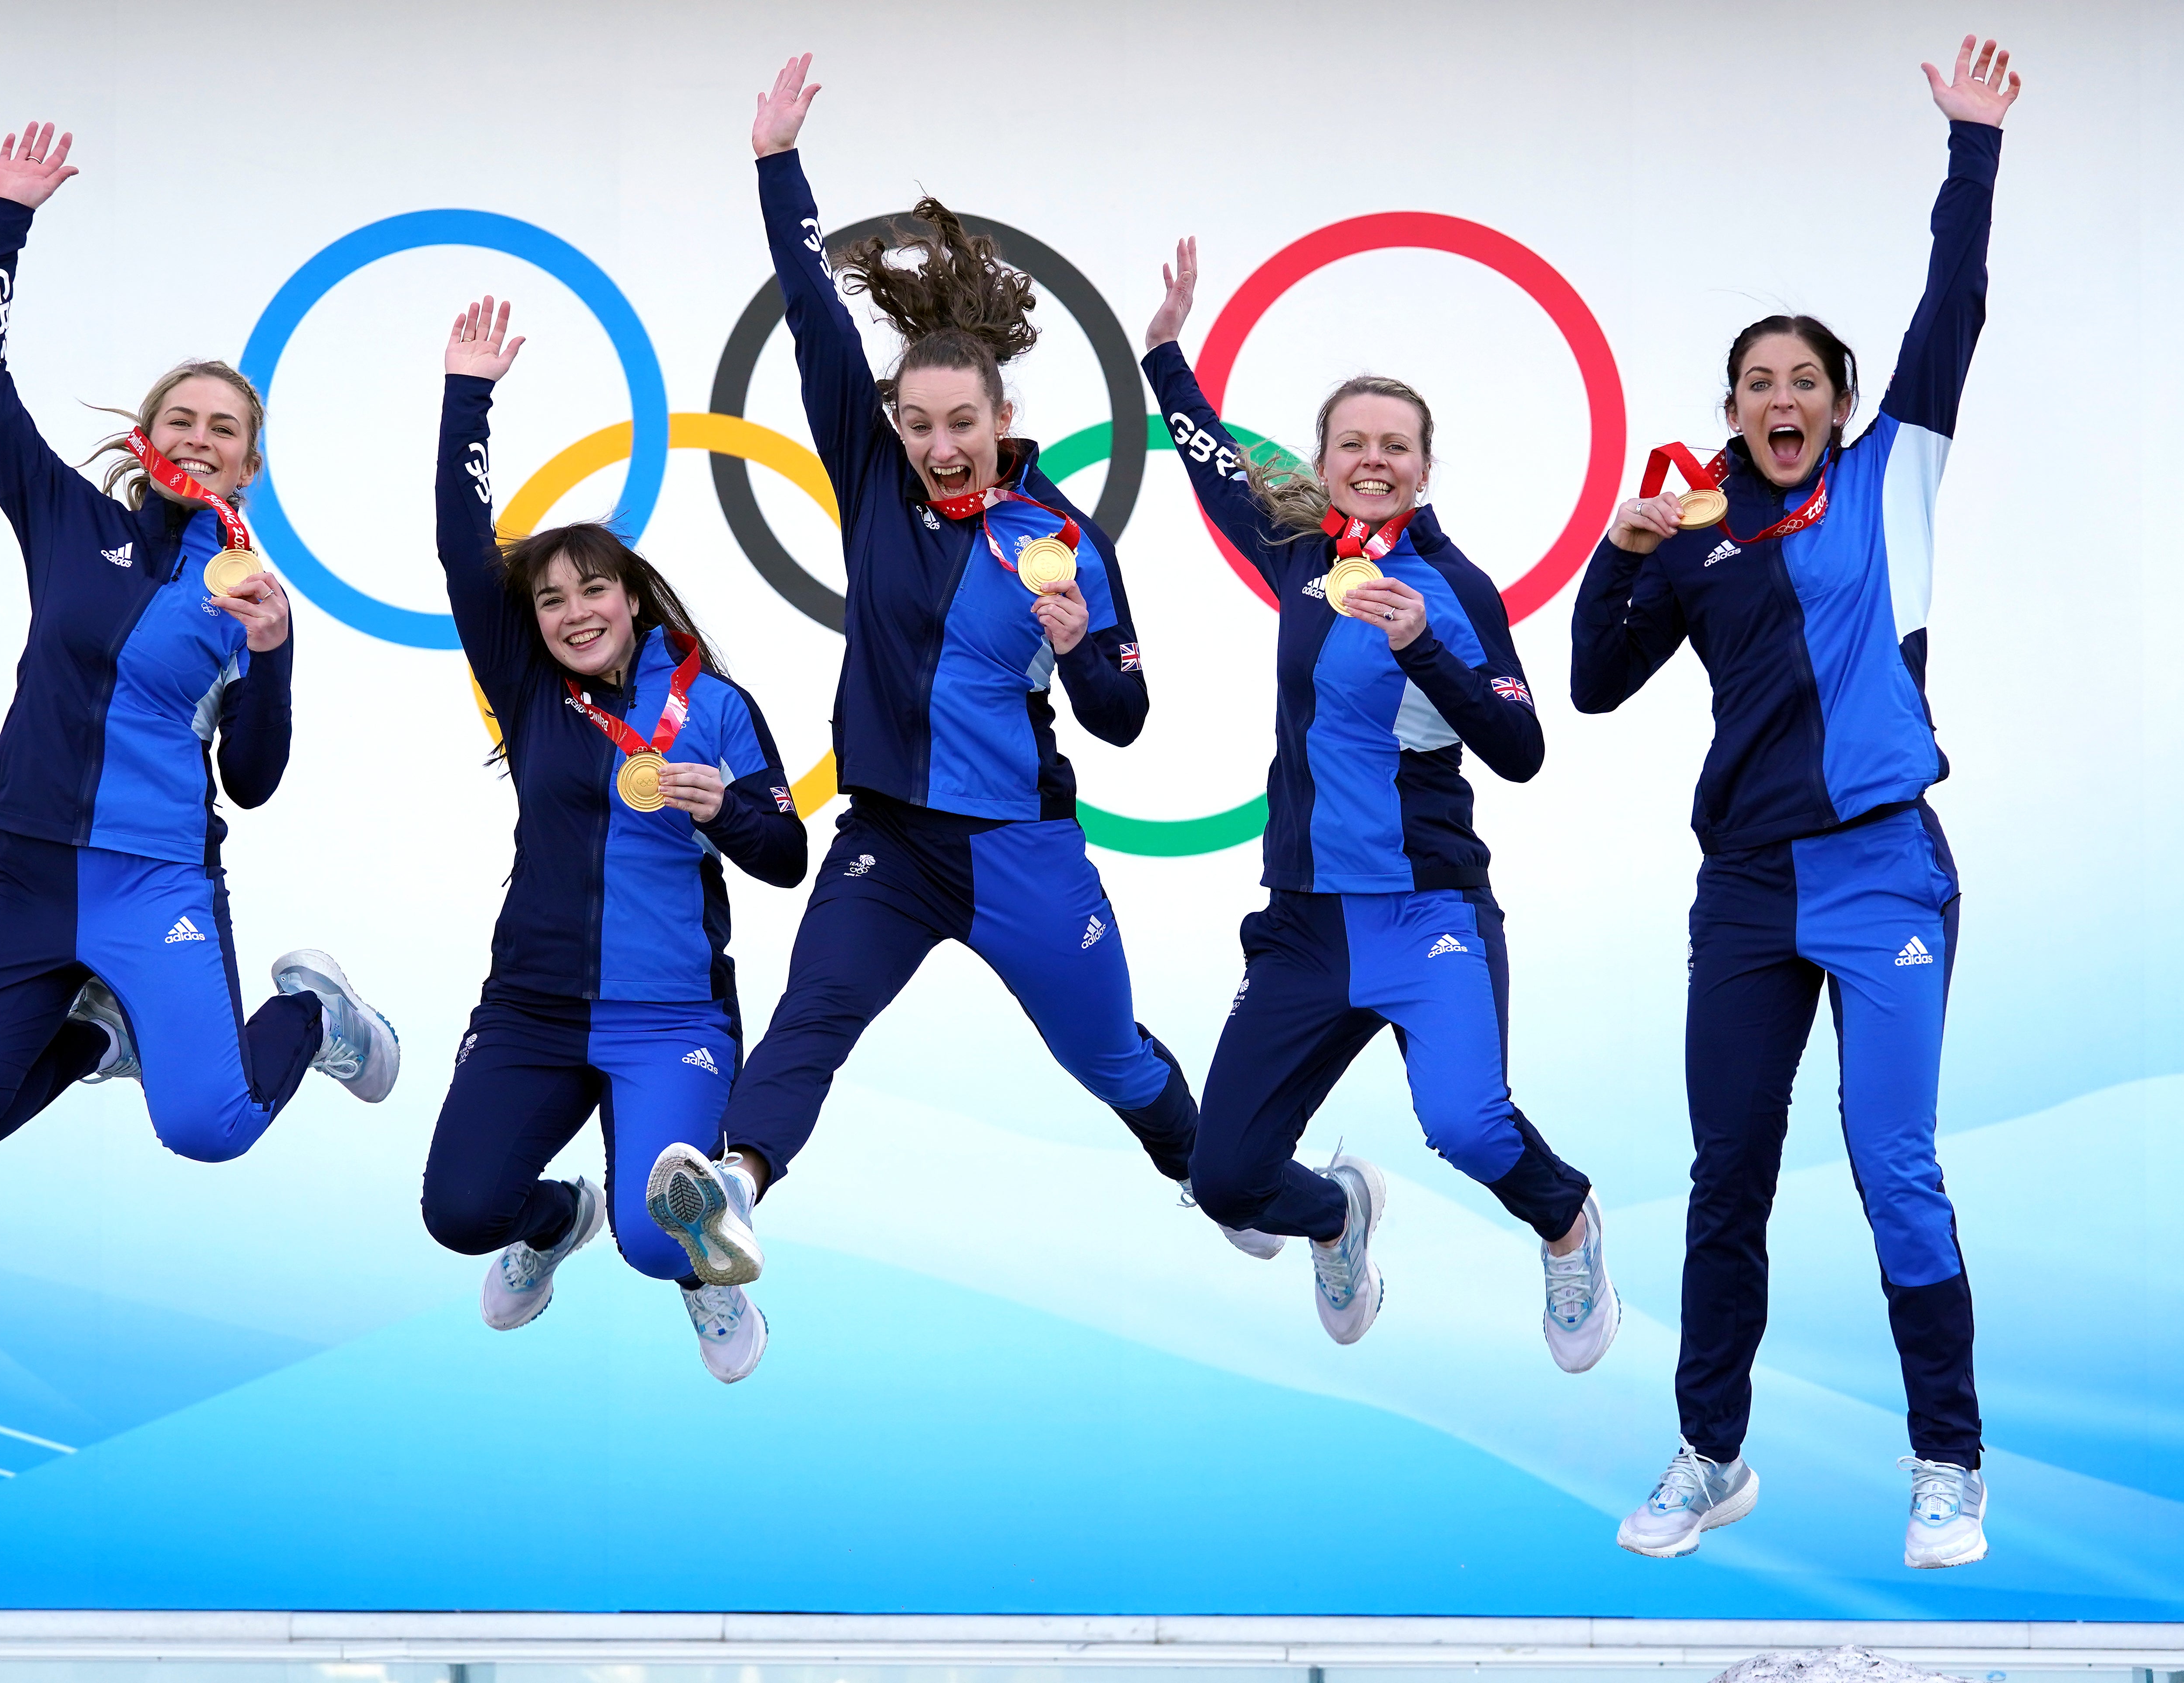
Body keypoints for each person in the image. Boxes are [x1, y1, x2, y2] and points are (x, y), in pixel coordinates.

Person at [642, 54, 1242, 1287]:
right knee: (816, 1012)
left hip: (1022, 848)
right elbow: (813, 312)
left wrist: (1080, 652)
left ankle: (1217, 1180)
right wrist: (777, 166)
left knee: (1116, 1060)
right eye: (917, 426)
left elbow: (1125, 718)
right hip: (892, 843)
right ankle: (736, 1186)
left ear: (1000, 412)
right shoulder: (871, 477)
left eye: (959, 423)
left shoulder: (1061, 537)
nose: (937, 444)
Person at [1572, 38, 2018, 1569]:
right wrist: (1622, 552)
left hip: (1887, 872)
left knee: (1896, 1161)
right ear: (1735, 409)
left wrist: (1971, 153)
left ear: (1837, 402)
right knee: (1728, 1178)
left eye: (1804, 382)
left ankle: (1948, 1460)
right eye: (1757, 384)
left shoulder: (1895, 473)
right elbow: (1592, 682)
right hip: (1748, 891)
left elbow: (1950, 311)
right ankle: (1710, 1453)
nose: (1783, 400)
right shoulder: (1698, 536)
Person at [1139, 246, 1618, 1370]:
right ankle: (1337, 1217)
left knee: (1464, 1125)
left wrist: (1423, 650)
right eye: (1350, 443)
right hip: (1306, 921)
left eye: (1391, 446)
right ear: (1322, 460)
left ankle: (1564, 1221)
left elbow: (1521, 747)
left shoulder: (1454, 590)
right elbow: (1213, 466)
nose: (1370, 460)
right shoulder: (1302, 551)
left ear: (1422, 465)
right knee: (1224, 1178)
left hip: (1425, 912)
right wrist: (1164, 352)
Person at [0, 121, 399, 1170]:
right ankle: (97, 1033)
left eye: (223, 428)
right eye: (181, 418)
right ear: (147, 435)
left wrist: (271, 654)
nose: (197, 438)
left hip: (156, 881)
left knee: (207, 1130)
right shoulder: (69, 519)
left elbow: (253, 783)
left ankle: (318, 1020)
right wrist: (6, 220)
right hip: (24, 868)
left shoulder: (252, 594)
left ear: (246, 466)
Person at [423, 298, 808, 1381]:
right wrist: (467, 397)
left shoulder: (717, 707)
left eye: (594, 588)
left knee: (658, 1239)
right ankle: (557, 1219)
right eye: (550, 600)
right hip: (532, 1009)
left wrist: (719, 807)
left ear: (633, 599)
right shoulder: (530, 693)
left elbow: (785, 858)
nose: (574, 611)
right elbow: (463, 552)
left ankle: (698, 1277)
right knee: (459, 1212)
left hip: (670, 1018)